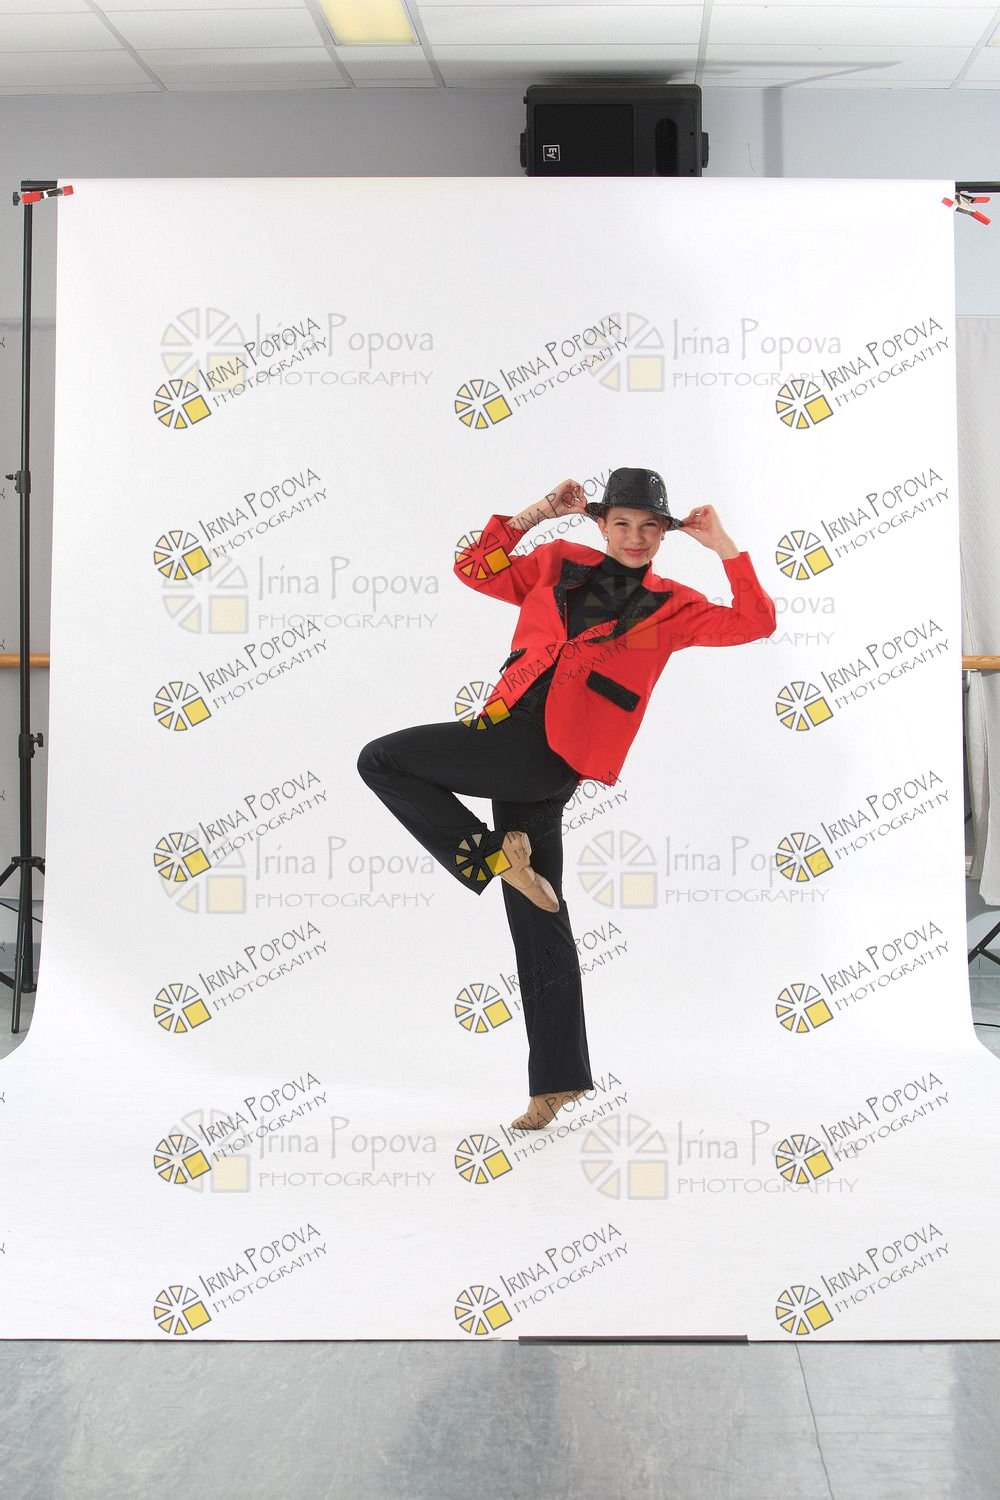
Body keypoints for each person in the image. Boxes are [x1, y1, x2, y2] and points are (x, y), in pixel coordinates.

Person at [357, 468, 777, 1130]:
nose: (635, 537)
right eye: (622, 523)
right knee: (539, 915)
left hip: (545, 753)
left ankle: (492, 856)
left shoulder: (673, 607)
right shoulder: (557, 563)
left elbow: (755, 621)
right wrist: (537, 513)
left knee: (380, 759)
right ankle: (555, 1084)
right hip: (512, 735)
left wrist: (723, 546)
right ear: (601, 524)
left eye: (650, 527)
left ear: (664, 534)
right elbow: (474, 568)